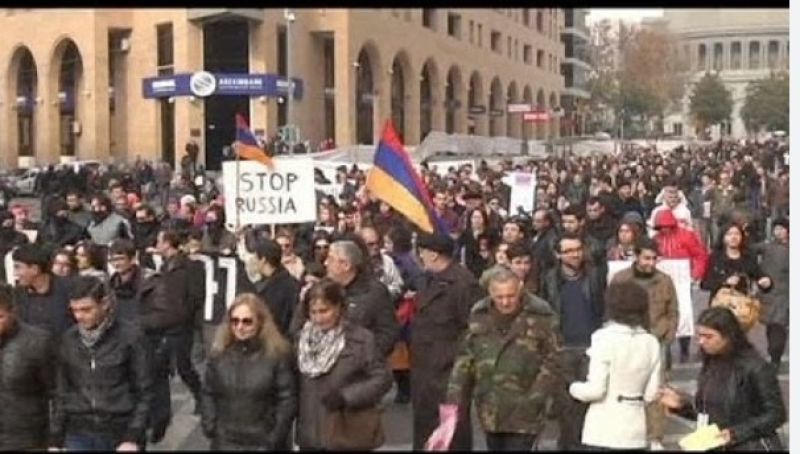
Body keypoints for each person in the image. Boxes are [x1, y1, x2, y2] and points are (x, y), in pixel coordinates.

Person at [440, 268, 562, 451]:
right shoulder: (479, 315)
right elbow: (465, 360)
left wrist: (536, 397)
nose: (505, 302)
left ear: (520, 289)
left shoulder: (541, 315)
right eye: (499, 297)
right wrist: (454, 400)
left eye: (511, 296)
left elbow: (554, 360)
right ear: (490, 293)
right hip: (490, 408)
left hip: (525, 410)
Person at [659, 307, 786, 450]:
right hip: (718, 444)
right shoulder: (711, 364)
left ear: (727, 336)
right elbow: (710, 413)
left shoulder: (755, 367)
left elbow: (776, 414)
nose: (701, 341)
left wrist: (735, 434)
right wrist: (682, 406)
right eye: (699, 336)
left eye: (708, 336)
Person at [48, 276, 152, 451]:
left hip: (119, 428)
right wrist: (55, 437)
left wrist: (133, 435)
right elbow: (62, 392)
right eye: (74, 310)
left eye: (86, 309)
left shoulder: (131, 337)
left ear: (104, 304)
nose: (79, 316)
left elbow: (145, 390)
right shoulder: (68, 340)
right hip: (79, 428)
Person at [294, 279, 392, 450]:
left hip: (348, 433)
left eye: (324, 311)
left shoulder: (361, 339)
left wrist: (346, 396)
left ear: (338, 307)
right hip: (310, 434)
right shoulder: (301, 341)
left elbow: (382, 379)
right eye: (313, 312)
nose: (318, 318)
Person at [410, 231, 485, 451]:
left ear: (433, 254)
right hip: (426, 372)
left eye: (422, 252)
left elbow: (474, 330)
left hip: (449, 375)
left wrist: (458, 367)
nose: (420, 257)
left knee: (451, 436)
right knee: (427, 435)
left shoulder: (463, 284)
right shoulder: (429, 280)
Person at [569, 281, 662, 450]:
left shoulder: (603, 338)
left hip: (603, 431)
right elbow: (651, 394)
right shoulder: (651, 342)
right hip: (636, 431)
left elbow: (596, 390)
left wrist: (573, 387)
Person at [200, 293, 296, 450]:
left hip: (263, 441)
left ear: (260, 322)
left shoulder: (277, 355)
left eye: (247, 321)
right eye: (234, 321)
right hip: (225, 440)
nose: (240, 327)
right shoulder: (219, 354)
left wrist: (274, 438)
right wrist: (210, 425)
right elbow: (208, 392)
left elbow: (287, 399)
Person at [538, 233, 606, 450]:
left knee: (590, 403)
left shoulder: (595, 275)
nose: (575, 254)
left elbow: (603, 306)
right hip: (562, 347)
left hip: (591, 348)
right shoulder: (549, 279)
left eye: (577, 249)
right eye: (568, 251)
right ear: (558, 255)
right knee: (565, 406)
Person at [608, 240, 678, 450]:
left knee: (657, 389)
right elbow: (610, 308)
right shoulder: (621, 279)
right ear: (637, 256)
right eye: (647, 258)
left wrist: (668, 335)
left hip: (657, 339)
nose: (651, 263)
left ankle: (655, 436)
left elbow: (673, 311)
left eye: (655, 259)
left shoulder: (664, 280)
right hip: (627, 340)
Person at [140, 228, 204, 443]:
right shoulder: (165, 266)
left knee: (183, 366)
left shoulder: (189, 266)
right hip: (165, 324)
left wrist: (185, 315)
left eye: (159, 241)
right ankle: (161, 415)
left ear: (167, 243)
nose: (156, 245)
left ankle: (201, 396)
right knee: (160, 370)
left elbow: (195, 295)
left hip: (181, 325)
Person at [293, 240, 398, 358]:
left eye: (331, 259)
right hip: (318, 360)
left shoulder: (374, 292)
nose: (326, 263)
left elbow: (387, 333)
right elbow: (297, 327)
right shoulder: (321, 289)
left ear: (346, 265)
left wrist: (364, 357)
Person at [0, 283, 54, 450]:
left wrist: (55, 439)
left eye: (0, 317)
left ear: (13, 312)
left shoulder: (39, 342)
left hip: (28, 440)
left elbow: (57, 393)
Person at [240, 237, 300, 336]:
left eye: (255, 257)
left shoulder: (284, 288)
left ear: (263, 260)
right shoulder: (263, 284)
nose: (252, 261)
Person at [12, 243, 75, 337]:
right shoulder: (17, 294)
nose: (15, 273)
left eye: (18, 267)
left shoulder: (69, 290)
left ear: (35, 269)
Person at [701, 222, 772, 302]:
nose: (733, 237)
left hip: (743, 304)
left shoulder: (748, 258)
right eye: (729, 234)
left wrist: (766, 283)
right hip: (721, 303)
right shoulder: (716, 257)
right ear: (723, 237)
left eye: (737, 234)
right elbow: (705, 284)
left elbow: (759, 276)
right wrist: (725, 281)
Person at [753, 218, 789, 368]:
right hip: (770, 294)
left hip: (784, 294)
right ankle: (774, 356)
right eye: (776, 229)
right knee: (772, 327)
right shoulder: (767, 246)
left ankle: (775, 357)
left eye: (781, 229)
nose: (778, 232)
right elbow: (749, 249)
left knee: (778, 326)